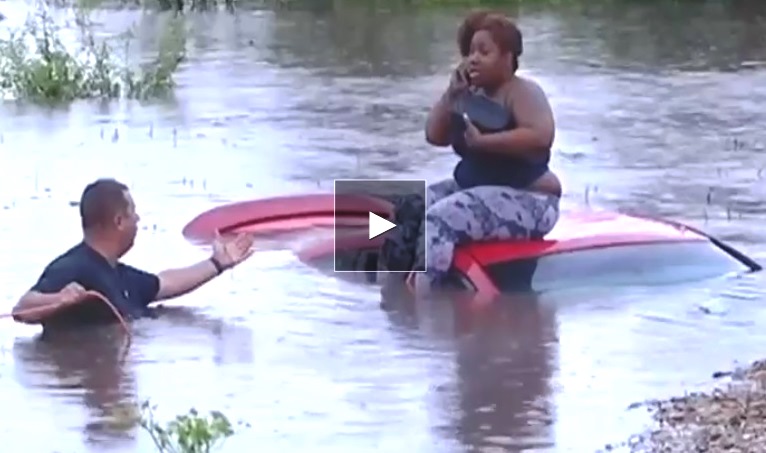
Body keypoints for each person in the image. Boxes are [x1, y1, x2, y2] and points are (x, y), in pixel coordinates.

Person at [382, 10, 562, 292]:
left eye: (484, 52)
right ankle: (392, 291)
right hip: (476, 189)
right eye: (470, 52)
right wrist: (451, 95)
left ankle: (425, 296)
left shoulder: (522, 92)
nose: (473, 58)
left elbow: (541, 136)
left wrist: (484, 142)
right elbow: (435, 136)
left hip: (532, 201)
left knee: (441, 218)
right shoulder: (468, 95)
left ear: (508, 58)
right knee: (411, 206)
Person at [12, 178, 254, 330]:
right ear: (119, 221)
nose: (138, 219)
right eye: (133, 213)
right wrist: (59, 299)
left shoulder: (118, 273)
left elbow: (165, 283)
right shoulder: (72, 268)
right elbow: (22, 309)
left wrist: (217, 263)